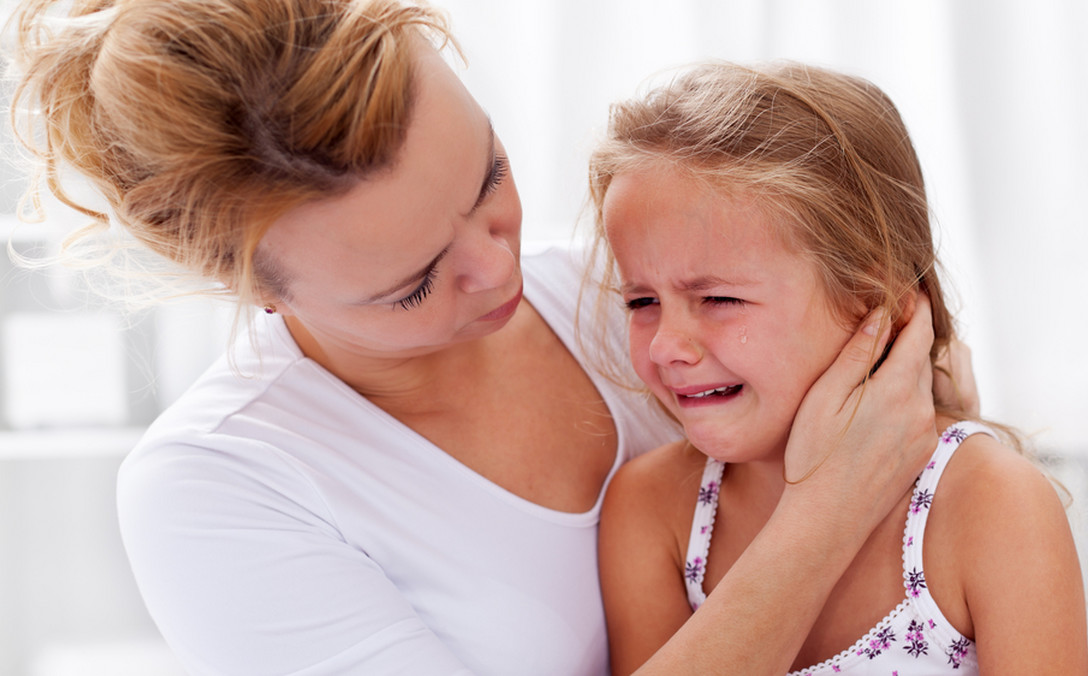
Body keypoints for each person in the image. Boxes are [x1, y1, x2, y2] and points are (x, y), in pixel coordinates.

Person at [9, 2, 966, 674]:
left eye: (488, 180)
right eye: (414, 283)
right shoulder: (220, 490)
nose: (497, 267)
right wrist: (832, 506)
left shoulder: (631, 302)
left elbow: (929, 442)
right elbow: (864, 468)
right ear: (250, 286)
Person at [590, 61, 1088, 675]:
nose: (666, 345)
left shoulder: (990, 504)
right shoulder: (653, 511)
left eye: (718, 299)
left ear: (869, 302)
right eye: (642, 301)